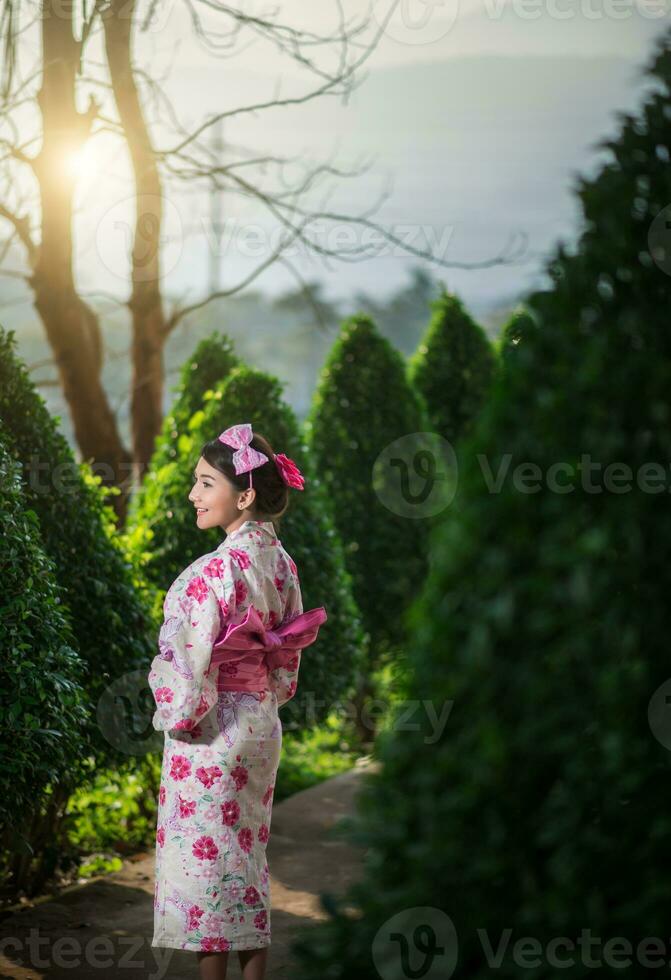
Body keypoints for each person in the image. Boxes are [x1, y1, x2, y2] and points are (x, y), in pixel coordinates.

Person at [148, 422, 327, 980]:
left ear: (243, 495)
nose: (193, 495)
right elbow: (285, 663)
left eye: (205, 483)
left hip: (214, 729)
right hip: (259, 723)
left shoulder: (211, 573)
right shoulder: (283, 563)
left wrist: (177, 713)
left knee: (208, 868)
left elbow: (186, 667)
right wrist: (262, 698)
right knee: (245, 856)